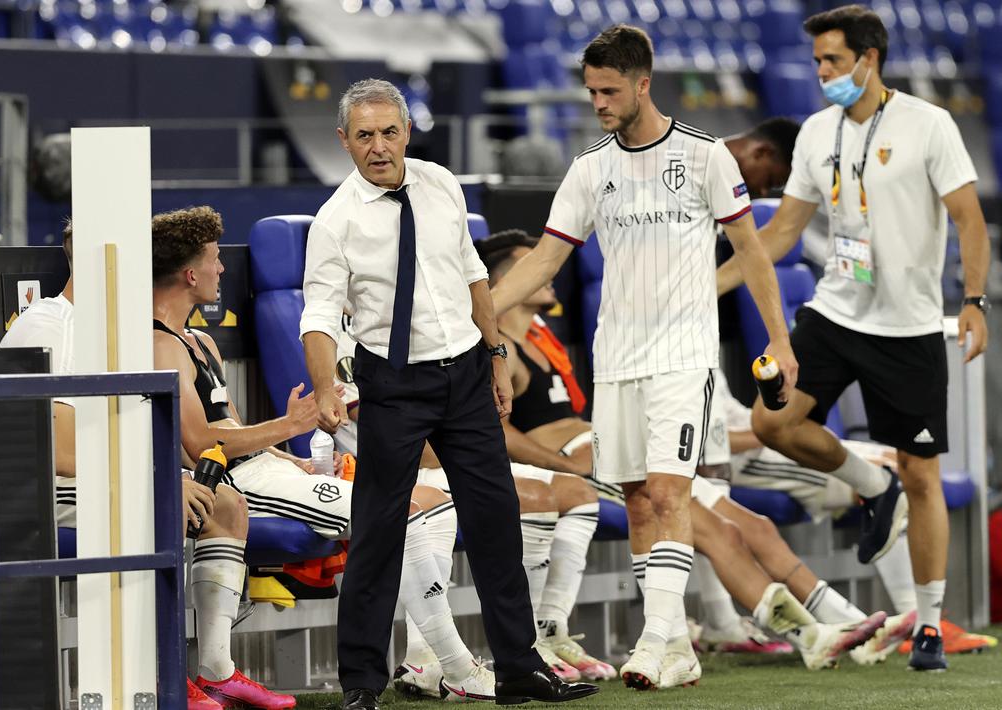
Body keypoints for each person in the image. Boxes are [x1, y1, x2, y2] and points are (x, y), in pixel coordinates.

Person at [488, 25, 798, 691]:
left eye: (607, 90)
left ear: (641, 83)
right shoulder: (588, 168)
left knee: (667, 490)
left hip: (684, 356)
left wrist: (778, 338)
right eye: (590, 91)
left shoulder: (706, 156)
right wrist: (476, 315)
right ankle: (676, 648)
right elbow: (545, 256)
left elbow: (750, 252)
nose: (597, 102)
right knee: (633, 498)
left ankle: (656, 639)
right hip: (616, 357)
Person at [300, 79, 598, 710]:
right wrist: (326, 387)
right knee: (377, 532)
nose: (378, 147)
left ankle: (520, 669)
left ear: (407, 132)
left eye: (388, 132)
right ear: (343, 141)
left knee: (496, 524)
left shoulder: (440, 183)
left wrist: (494, 356)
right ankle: (360, 683)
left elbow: (473, 275)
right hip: (393, 381)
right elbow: (321, 315)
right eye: (364, 136)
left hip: (465, 372)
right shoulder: (335, 221)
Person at [714, 4, 990, 672]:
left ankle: (927, 626)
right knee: (772, 421)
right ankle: (871, 483)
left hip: (908, 326)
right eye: (815, 61)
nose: (820, 72)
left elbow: (967, 218)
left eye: (831, 60)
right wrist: (705, 287)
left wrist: (974, 301)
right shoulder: (814, 132)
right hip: (835, 313)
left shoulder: (929, 125)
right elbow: (779, 232)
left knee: (921, 473)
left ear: (868, 58)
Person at [480, 231, 888, 681]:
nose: (550, 270)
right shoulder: (499, 349)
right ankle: (809, 635)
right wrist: (563, 465)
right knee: (715, 531)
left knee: (747, 527)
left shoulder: (543, 340)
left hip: (612, 450)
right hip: (583, 465)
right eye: (533, 264)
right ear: (508, 279)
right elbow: (498, 432)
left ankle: (829, 626)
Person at [151, 206, 502, 703]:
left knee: (434, 500)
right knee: (402, 510)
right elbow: (200, 445)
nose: (222, 268)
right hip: (230, 484)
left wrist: (287, 454)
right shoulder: (161, 345)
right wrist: (291, 425)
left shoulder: (201, 341)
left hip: (263, 469)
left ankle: (425, 660)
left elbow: (228, 426)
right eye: (213, 260)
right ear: (190, 273)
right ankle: (458, 666)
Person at [0, 221, 287, 710]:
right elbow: (63, 456)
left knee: (223, 505)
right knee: (161, 506)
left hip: (88, 480)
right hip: (33, 487)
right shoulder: (61, 325)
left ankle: (216, 672)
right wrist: (153, 483)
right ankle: (155, 677)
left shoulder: (117, 331)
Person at [328, 311, 610, 688]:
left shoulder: (440, 321)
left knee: (575, 493)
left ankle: (545, 632)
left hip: (449, 450)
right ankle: (423, 655)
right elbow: (409, 440)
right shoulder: (351, 331)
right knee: (504, 500)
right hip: (387, 465)